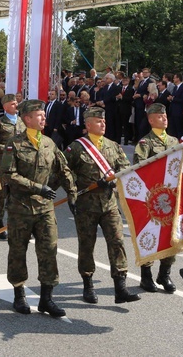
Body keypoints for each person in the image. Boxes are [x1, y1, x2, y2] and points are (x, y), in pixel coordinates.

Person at [1, 99, 77, 317]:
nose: (44, 118)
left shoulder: (49, 143)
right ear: (27, 119)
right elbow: (9, 174)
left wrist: (72, 194)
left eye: (44, 115)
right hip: (20, 208)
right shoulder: (13, 144)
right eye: (39, 115)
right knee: (18, 252)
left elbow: (64, 170)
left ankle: (46, 299)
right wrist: (37, 187)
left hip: (44, 209)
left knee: (48, 251)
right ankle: (19, 295)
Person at [64, 106, 141, 305]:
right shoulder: (77, 147)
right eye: (98, 121)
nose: (103, 124)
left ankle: (120, 287)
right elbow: (65, 172)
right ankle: (88, 285)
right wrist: (72, 192)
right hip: (86, 205)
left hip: (109, 204)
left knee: (117, 242)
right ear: (88, 124)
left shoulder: (113, 146)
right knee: (87, 245)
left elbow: (124, 167)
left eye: (104, 121)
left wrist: (115, 179)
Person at [134, 103, 179, 294]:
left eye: (165, 115)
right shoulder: (146, 144)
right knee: (150, 236)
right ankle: (146, 277)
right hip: (152, 199)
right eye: (160, 116)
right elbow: (139, 167)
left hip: (171, 197)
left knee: (171, 237)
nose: (164, 118)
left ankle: (164, 274)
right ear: (151, 120)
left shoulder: (175, 141)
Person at [0, 94, 25, 240]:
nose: (16, 105)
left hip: (19, 165)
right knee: (1, 195)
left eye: (16, 103)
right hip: (3, 165)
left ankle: (16, 225)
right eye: (12, 104)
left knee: (17, 195)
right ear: (5, 106)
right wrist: (6, 148)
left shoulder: (22, 122)